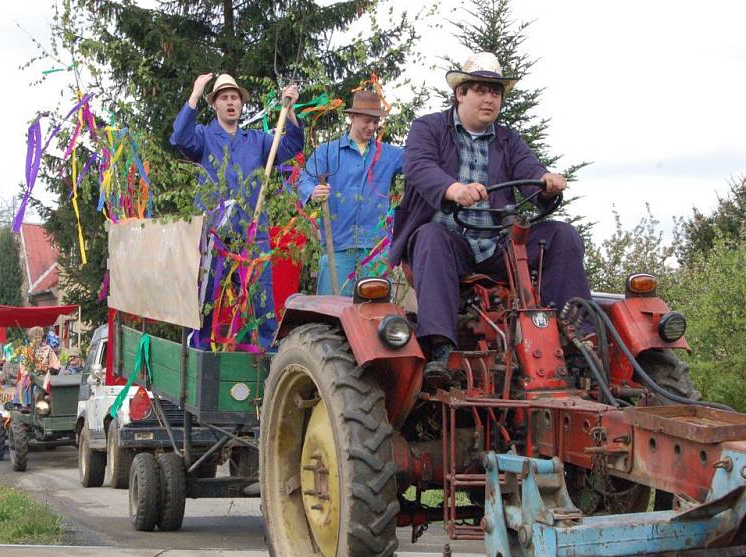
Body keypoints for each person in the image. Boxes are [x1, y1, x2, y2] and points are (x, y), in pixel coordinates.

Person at [389, 53, 592, 378]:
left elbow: (530, 170)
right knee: (430, 237)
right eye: (481, 90)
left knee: (562, 235)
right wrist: (453, 189)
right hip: (451, 247)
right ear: (460, 93)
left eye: (495, 92)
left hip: (497, 247)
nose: (489, 99)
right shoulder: (428, 128)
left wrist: (547, 183)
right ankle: (440, 348)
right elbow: (419, 168)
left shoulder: (508, 140)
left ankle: (575, 338)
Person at [170, 73, 304, 349]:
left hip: (252, 235)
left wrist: (289, 112)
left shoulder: (257, 141)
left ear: (241, 105)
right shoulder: (203, 137)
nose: (231, 102)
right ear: (215, 104)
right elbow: (179, 137)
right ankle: (199, 356)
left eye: (235, 98)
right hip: (213, 237)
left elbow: (291, 145)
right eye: (224, 98)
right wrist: (195, 93)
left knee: (261, 301)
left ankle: (266, 359)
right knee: (205, 301)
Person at [298, 91, 404, 295]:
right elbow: (306, 179)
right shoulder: (328, 152)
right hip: (336, 244)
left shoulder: (389, 154)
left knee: (373, 311)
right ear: (352, 117)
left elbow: (420, 163)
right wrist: (312, 191)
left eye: (376, 122)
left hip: (375, 249)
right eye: (367, 121)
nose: (372, 127)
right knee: (331, 308)